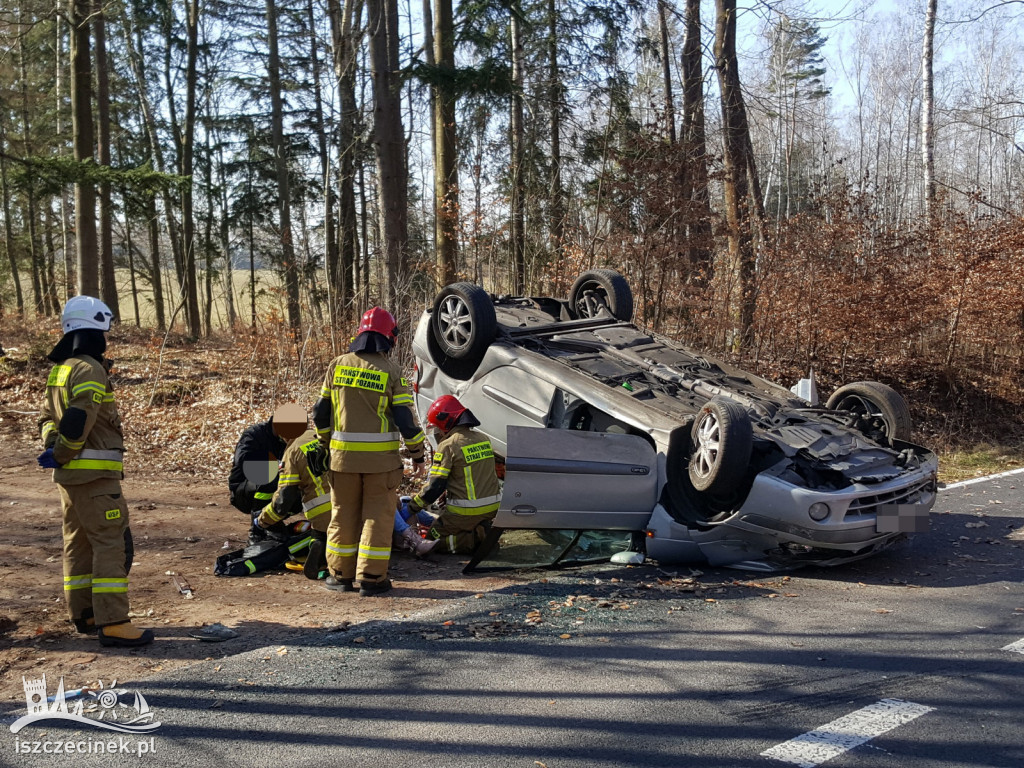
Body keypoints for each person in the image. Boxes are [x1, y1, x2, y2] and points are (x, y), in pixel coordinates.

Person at [36, 296, 153, 648]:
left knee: (79, 543)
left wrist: (54, 451)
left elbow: (46, 418)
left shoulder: (61, 368)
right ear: (93, 330)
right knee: (110, 544)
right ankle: (114, 621)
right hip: (94, 478)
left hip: (70, 480)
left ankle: (84, 613)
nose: (107, 337)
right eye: (105, 330)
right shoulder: (90, 368)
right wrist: (62, 451)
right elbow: (79, 420)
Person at [313, 307, 426, 596]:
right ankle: (372, 579)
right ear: (390, 338)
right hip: (381, 465)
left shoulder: (337, 364)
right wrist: (418, 454)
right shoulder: (391, 371)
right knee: (377, 518)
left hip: (341, 462)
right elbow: (405, 419)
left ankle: (339, 576)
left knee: (342, 515)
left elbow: (321, 413)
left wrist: (326, 444)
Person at [406, 395, 501, 556]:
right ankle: (480, 529)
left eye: (437, 428)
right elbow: (470, 474)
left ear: (445, 423)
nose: (438, 433)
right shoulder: (483, 439)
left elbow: (435, 486)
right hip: (492, 508)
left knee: (432, 540)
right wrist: (449, 492)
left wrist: (412, 507)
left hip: (466, 512)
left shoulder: (448, 445)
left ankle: (475, 541)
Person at [252, 426, 333, 579]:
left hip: (321, 509)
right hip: (349, 501)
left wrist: (262, 521)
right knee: (348, 536)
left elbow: (283, 500)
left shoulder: (292, 452)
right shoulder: (323, 435)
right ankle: (332, 549)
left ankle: (320, 546)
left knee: (322, 532)